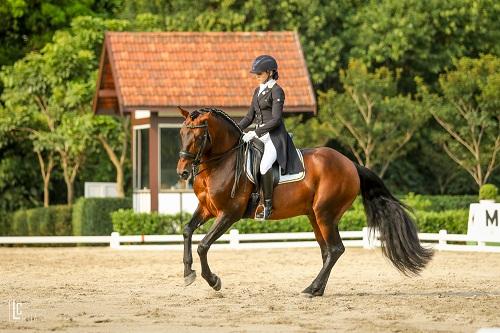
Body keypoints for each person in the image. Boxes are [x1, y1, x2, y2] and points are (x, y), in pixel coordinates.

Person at [239, 55, 304, 220]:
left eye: (259, 72)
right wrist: (235, 130)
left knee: (264, 166)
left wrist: (256, 132)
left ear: (270, 72)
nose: (257, 75)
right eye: (256, 73)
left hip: (274, 137)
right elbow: (249, 117)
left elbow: (276, 120)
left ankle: (267, 205)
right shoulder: (258, 90)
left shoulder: (277, 90)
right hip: (259, 136)